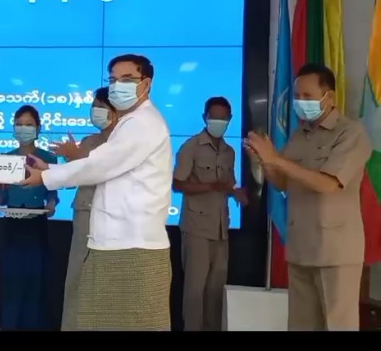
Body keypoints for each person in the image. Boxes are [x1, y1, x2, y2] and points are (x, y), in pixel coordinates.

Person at [21, 54, 173, 331]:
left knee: (134, 322)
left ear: (146, 84)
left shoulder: (142, 122)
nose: (117, 87)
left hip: (131, 245)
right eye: (113, 80)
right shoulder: (132, 122)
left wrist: (46, 176)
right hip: (117, 242)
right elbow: (97, 164)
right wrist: (50, 170)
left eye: (127, 79)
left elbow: (100, 165)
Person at [244, 63, 371, 331]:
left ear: (329, 97)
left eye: (308, 96)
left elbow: (327, 184)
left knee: (338, 325)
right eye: (297, 96)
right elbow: (283, 183)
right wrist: (265, 162)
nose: (301, 103)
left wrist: (276, 159)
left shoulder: (351, 133)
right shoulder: (300, 134)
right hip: (301, 248)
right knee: (301, 325)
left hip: (334, 252)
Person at [173, 96, 247, 331]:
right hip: (196, 227)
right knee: (195, 290)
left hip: (221, 228)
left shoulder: (229, 152)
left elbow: (227, 184)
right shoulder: (191, 147)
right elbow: (177, 184)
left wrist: (236, 193)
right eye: (214, 117)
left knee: (216, 289)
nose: (218, 122)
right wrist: (210, 186)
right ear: (205, 117)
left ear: (230, 119)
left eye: (223, 118)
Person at [50, 87, 118, 331]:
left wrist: (77, 158)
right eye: (94, 106)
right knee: (78, 276)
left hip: (113, 219)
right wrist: (66, 160)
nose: (96, 111)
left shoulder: (123, 143)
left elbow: (103, 173)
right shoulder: (89, 141)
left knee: (108, 281)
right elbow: (73, 178)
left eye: (102, 106)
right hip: (85, 214)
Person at [0, 105, 59, 331]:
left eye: (28, 124)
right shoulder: (7, 158)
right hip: (12, 223)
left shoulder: (48, 158)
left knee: (35, 280)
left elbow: (52, 193)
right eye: (19, 124)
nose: (23, 128)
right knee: (12, 279)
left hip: (36, 225)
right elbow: (4, 192)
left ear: (38, 128)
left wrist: (51, 205)